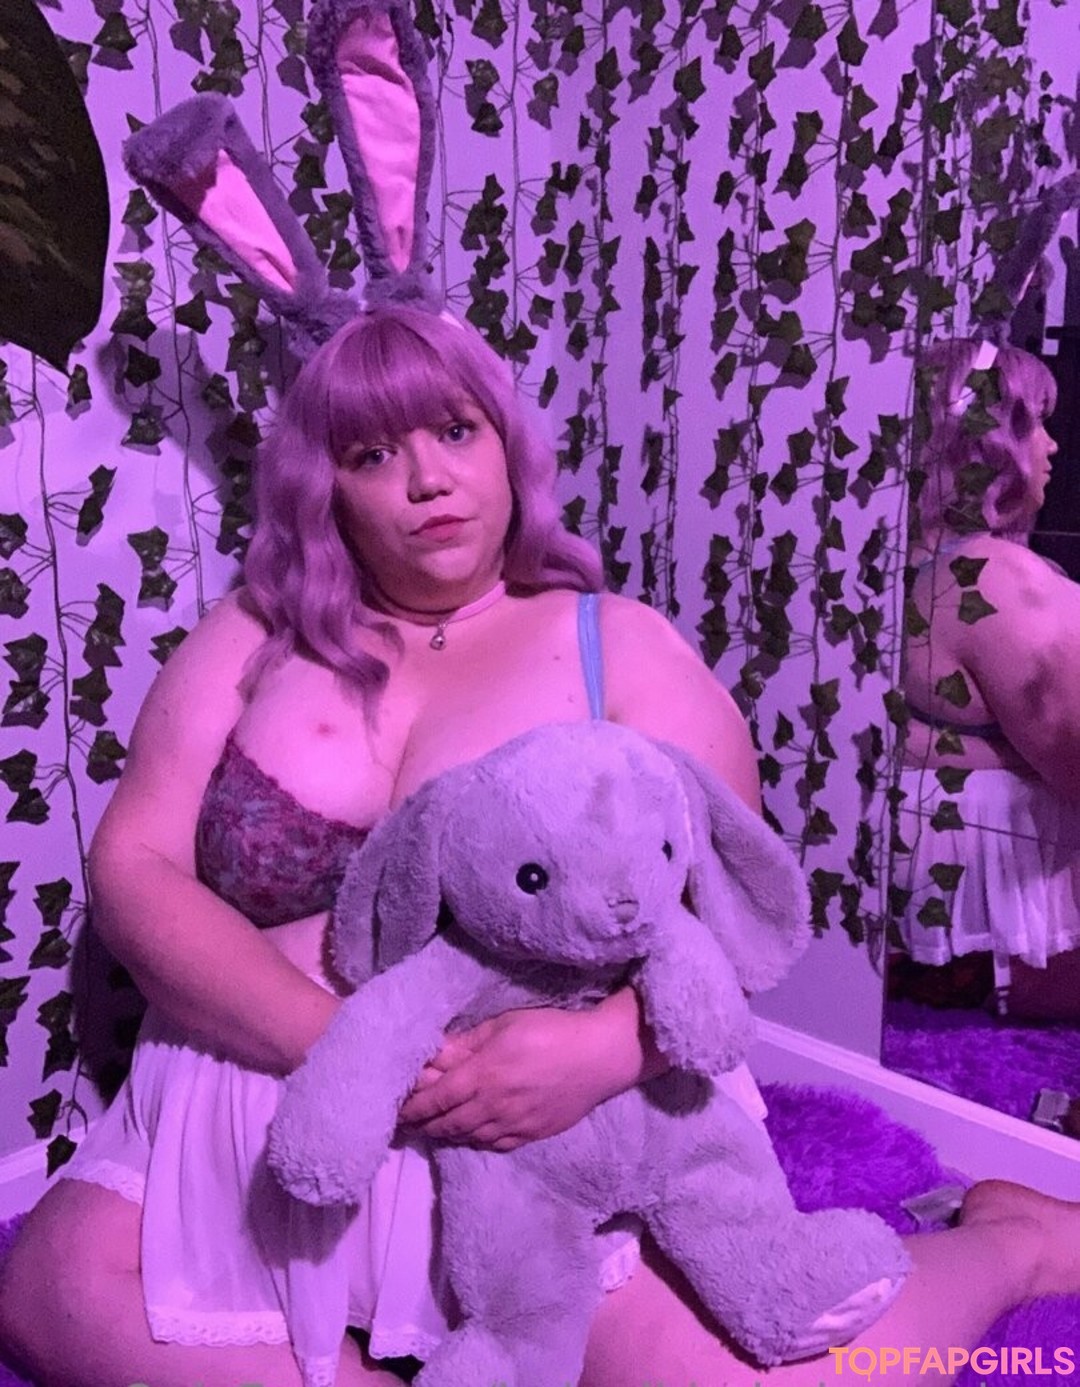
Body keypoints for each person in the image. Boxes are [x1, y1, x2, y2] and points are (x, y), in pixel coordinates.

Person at [1, 309, 1078, 1387]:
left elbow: (729, 911)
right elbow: (135, 869)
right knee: (52, 1296)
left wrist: (602, 1050)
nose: (427, 479)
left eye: (455, 432)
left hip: (554, 1128)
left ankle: (1013, 1241)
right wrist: (349, 1051)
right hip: (259, 1087)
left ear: (507, 446)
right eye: (373, 454)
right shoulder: (252, 631)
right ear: (327, 488)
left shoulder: (619, 643)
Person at [897, 337, 1080, 1018]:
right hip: (1023, 960)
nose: (1052, 447)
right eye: (1035, 425)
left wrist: (988, 751)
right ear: (985, 447)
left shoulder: (893, 564)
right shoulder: (991, 578)